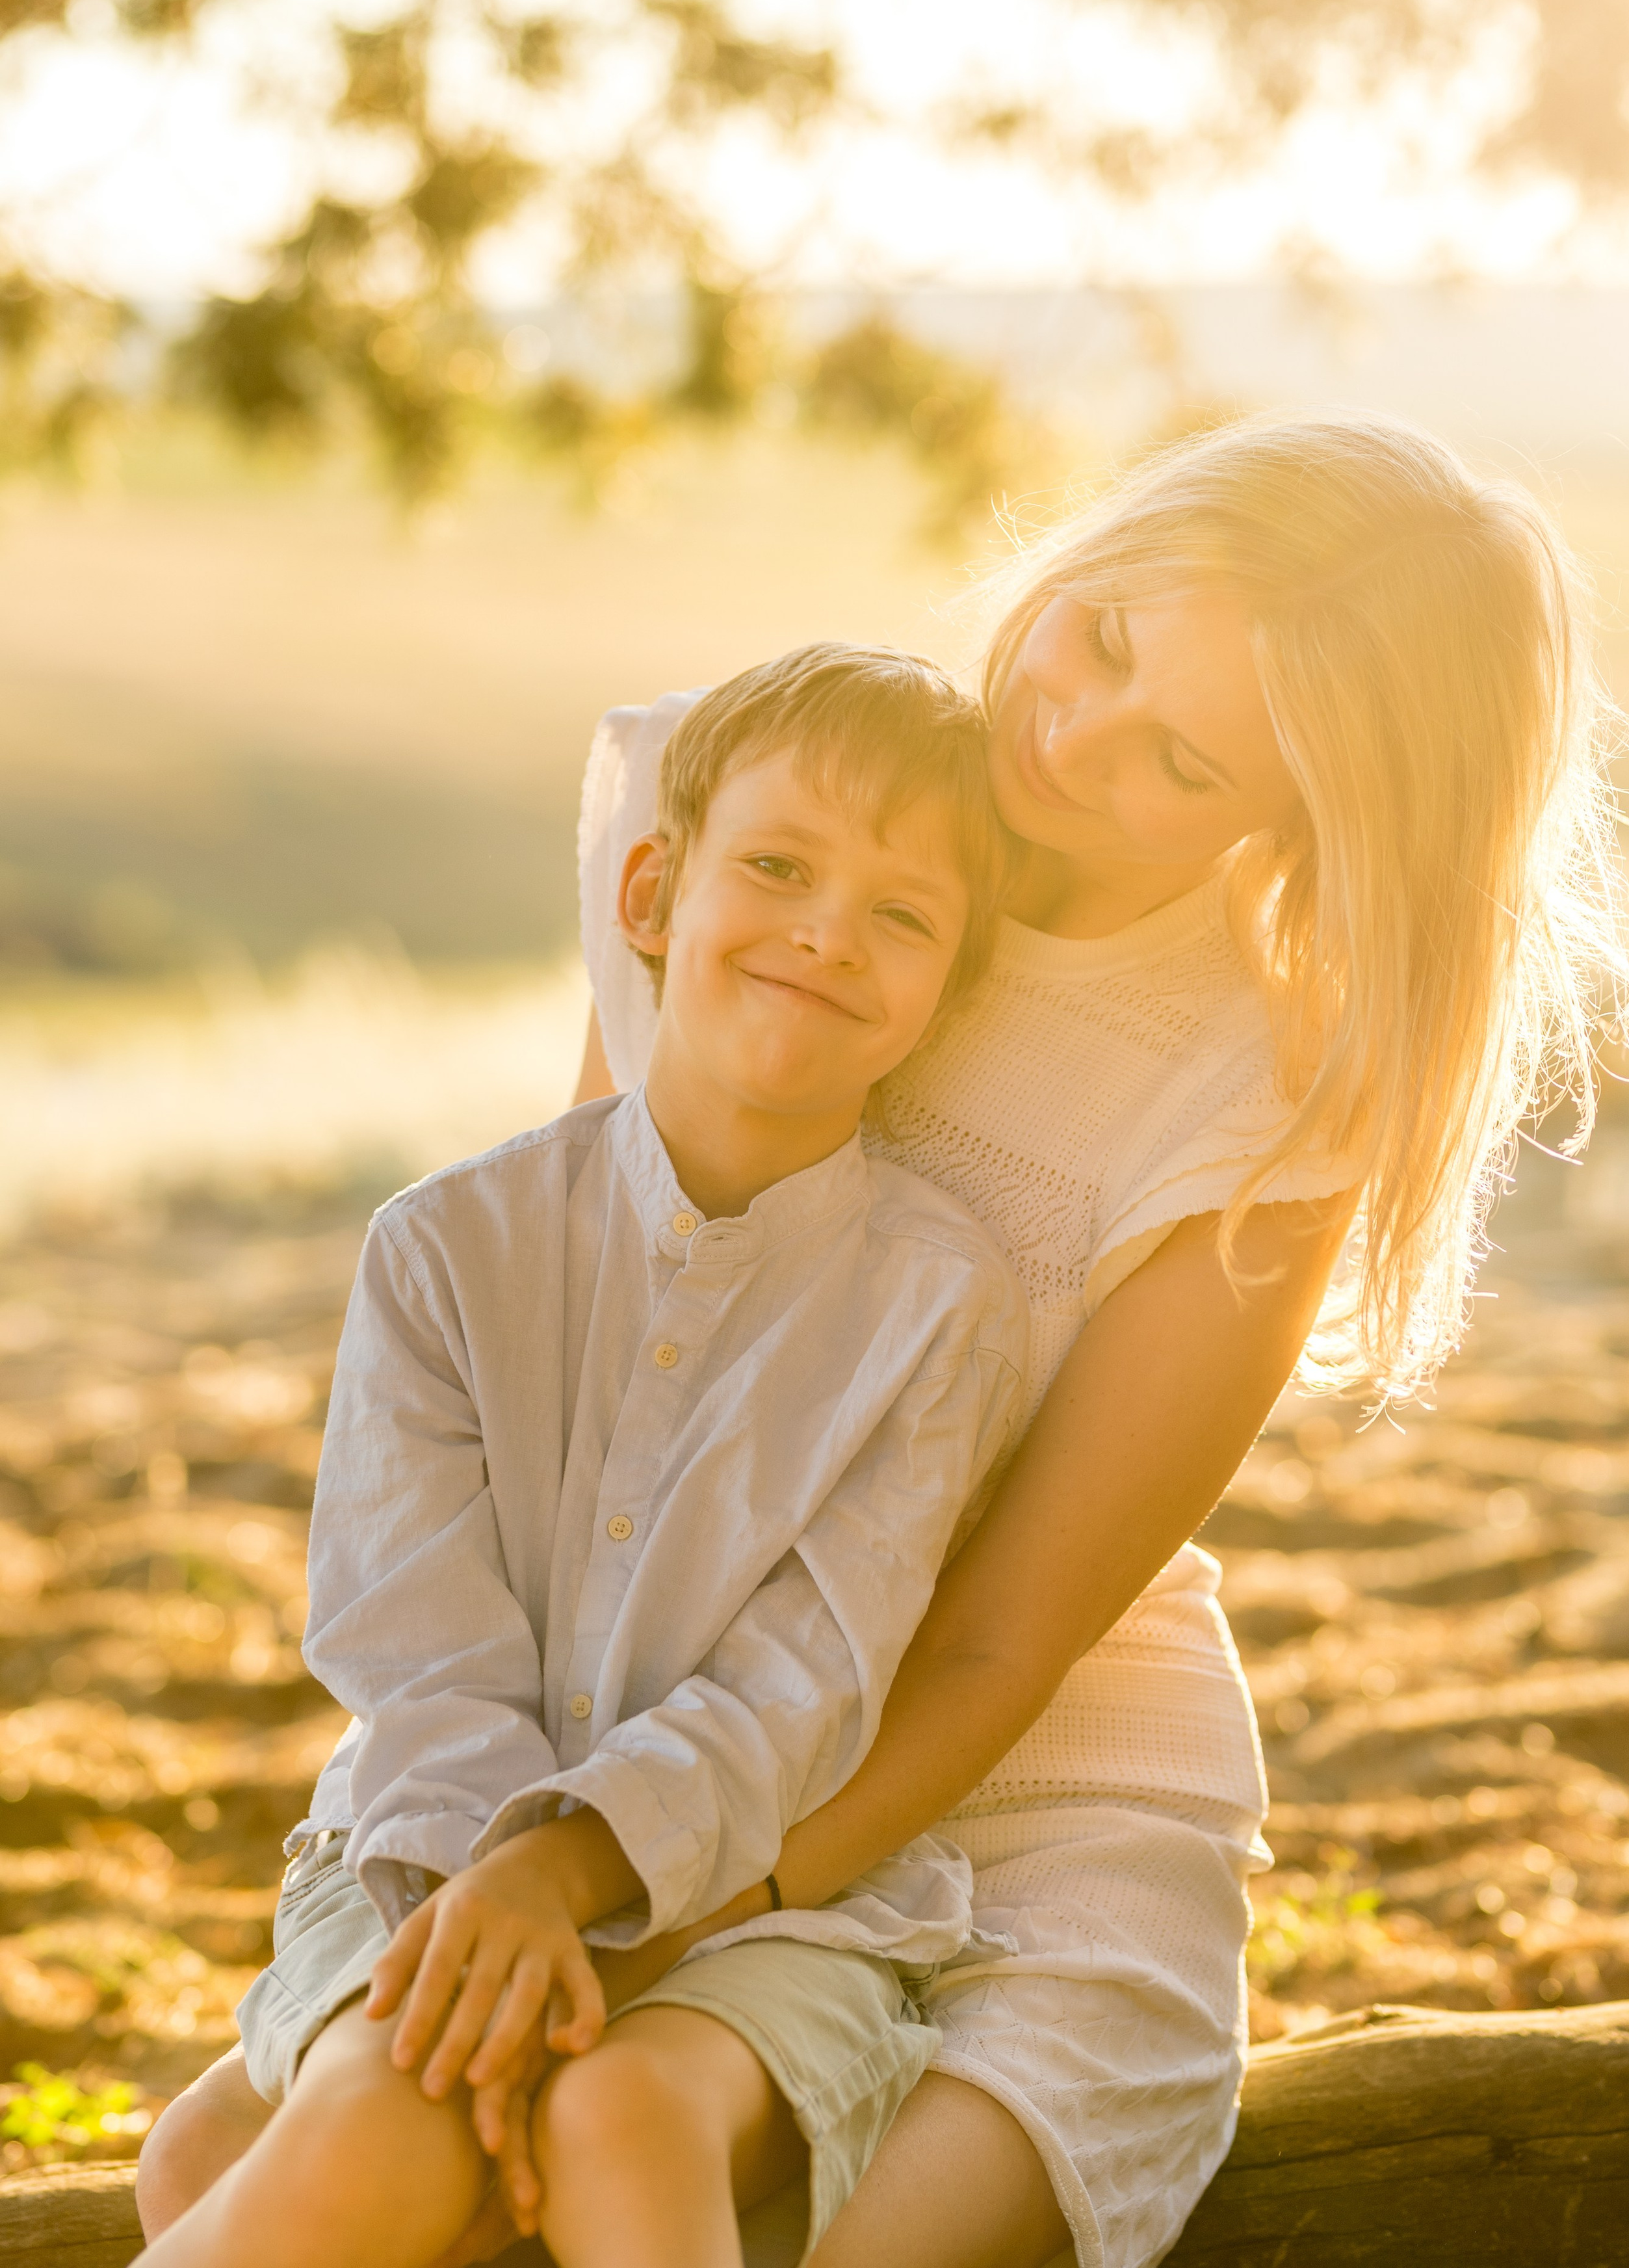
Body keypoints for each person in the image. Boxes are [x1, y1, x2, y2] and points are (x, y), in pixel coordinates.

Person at [143, 410, 1629, 2268]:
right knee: (232, 2165)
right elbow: (613, 1362)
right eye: (1101, 636)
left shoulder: (1267, 1092)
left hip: (1010, 1795)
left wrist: (635, 1912)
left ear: (1302, 817)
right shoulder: (784, 824)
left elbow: (1004, 1633)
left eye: (1178, 756)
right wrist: (539, 1848)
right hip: (661, 1718)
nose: (1070, 736)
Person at [133, 646, 1032, 2268]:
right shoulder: (444, 1249)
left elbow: (808, 1679)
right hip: (422, 1847)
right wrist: (506, 1904)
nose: (830, 931)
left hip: (768, 1902)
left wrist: (583, 1878)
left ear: (947, 997)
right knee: (387, 2122)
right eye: (777, 868)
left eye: (903, 917)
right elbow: (412, 1648)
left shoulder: (938, 1303)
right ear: (649, 893)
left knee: (611, 2116)